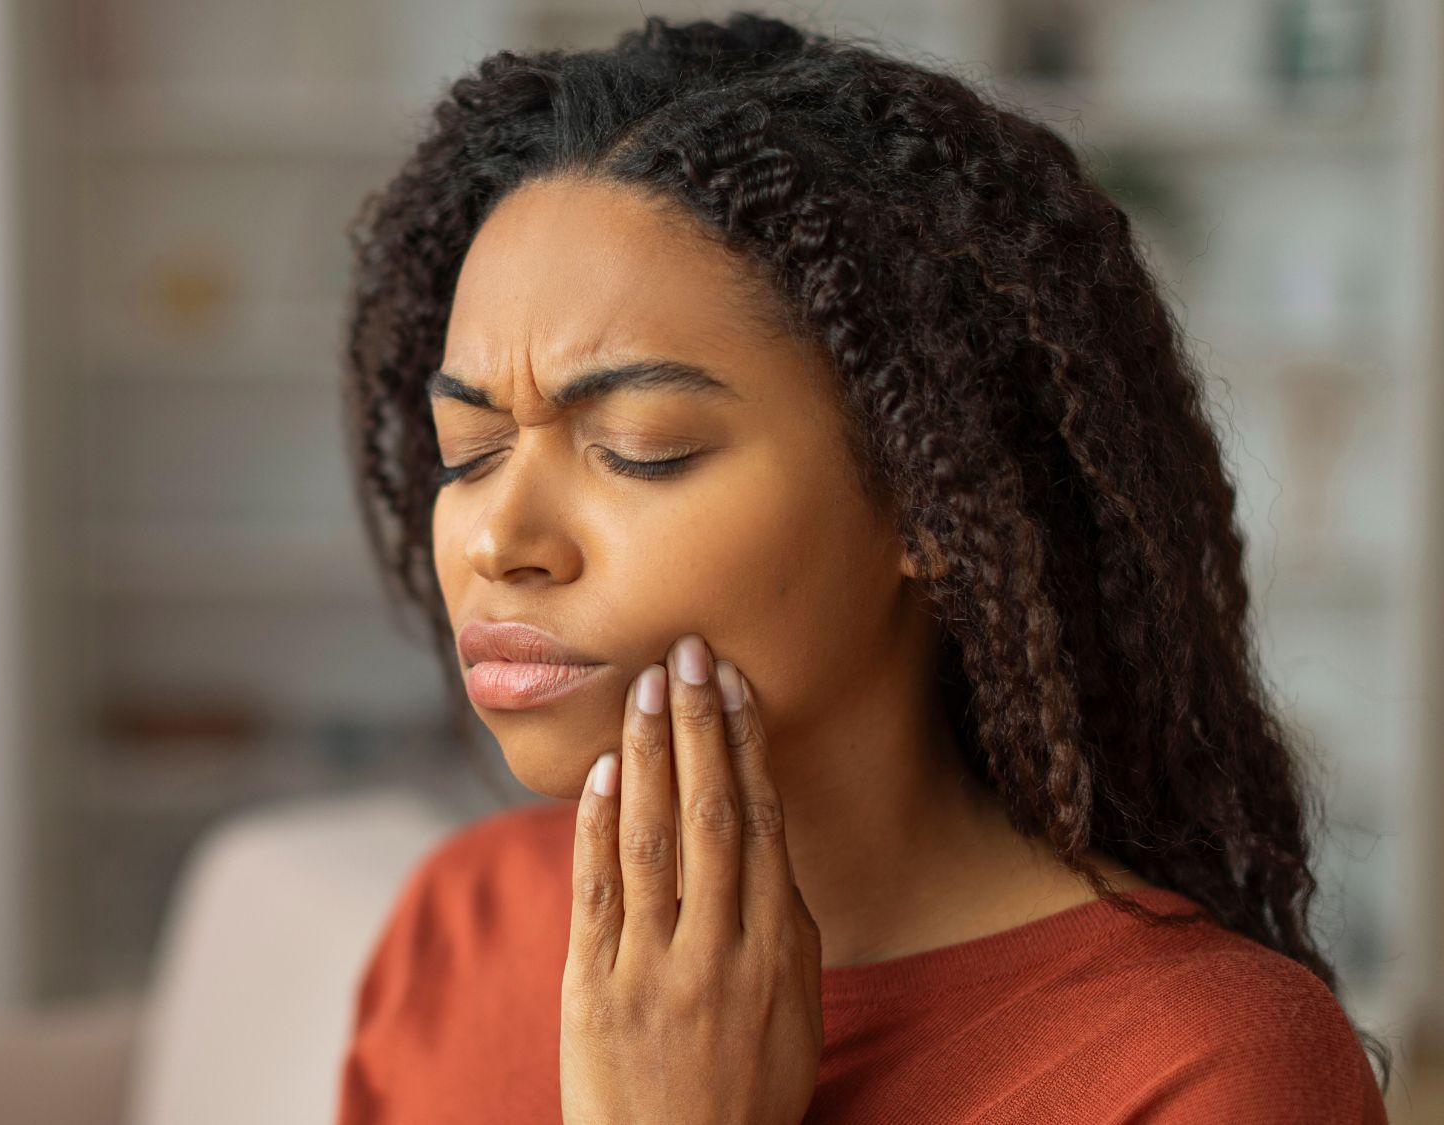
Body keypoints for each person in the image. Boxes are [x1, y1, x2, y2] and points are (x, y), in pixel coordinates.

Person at [333, 11, 1393, 1123]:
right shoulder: (461, 922)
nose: (499, 540)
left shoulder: (1205, 1069)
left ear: (928, 498)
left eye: (641, 450)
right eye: (471, 452)